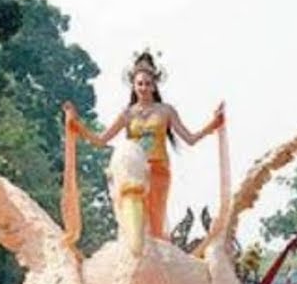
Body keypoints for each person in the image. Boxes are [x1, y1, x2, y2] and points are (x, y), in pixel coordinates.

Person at [63, 50, 225, 238]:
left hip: (158, 170)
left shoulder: (166, 111)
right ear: (133, 86)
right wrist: (76, 124)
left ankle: (157, 253)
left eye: (148, 83)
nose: (144, 88)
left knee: (155, 224)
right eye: (140, 83)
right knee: (134, 223)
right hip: (134, 173)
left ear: (154, 86)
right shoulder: (128, 114)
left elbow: (190, 139)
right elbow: (101, 140)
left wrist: (213, 124)